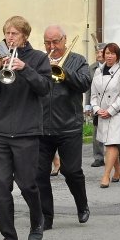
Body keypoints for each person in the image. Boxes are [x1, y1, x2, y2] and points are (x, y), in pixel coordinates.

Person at [0, 15, 51, 240]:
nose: (9, 37)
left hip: (26, 132)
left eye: (14, 33)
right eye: (7, 33)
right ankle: (9, 239)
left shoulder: (38, 59)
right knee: (1, 187)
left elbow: (45, 88)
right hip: (0, 132)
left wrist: (25, 69)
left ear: (25, 36)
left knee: (27, 185)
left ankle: (37, 219)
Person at [36, 25, 91, 227]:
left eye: (55, 42)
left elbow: (85, 82)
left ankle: (82, 205)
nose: (52, 46)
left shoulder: (78, 60)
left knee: (71, 170)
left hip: (69, 126)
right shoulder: (39, 60)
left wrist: (64, 72)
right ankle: (46, 217)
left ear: (64, 40)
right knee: (39, 174)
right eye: (47, 42)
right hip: (42, 126)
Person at [89, 43, 120, 187]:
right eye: (107, 53)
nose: (109, 56)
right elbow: (93, 94)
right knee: (107, 141)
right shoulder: (98, 72)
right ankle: (118, 168)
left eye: (113, 54)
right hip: (101, 112)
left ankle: (106, 175)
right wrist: (96, 108)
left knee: (112, 143)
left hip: (116, 113)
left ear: (117, 56)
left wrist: (111, 110)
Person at [85, 41, 106, 168]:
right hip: (96, 103)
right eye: (97, 52)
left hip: (111, 103)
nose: (98, 54)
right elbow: (88, 88)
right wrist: (87, 105)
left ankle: (116, 156)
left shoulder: (116, 66)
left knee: (114, 130)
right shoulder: (92, 68)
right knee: (97, 130)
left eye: (101, 52)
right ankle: (98, 157)